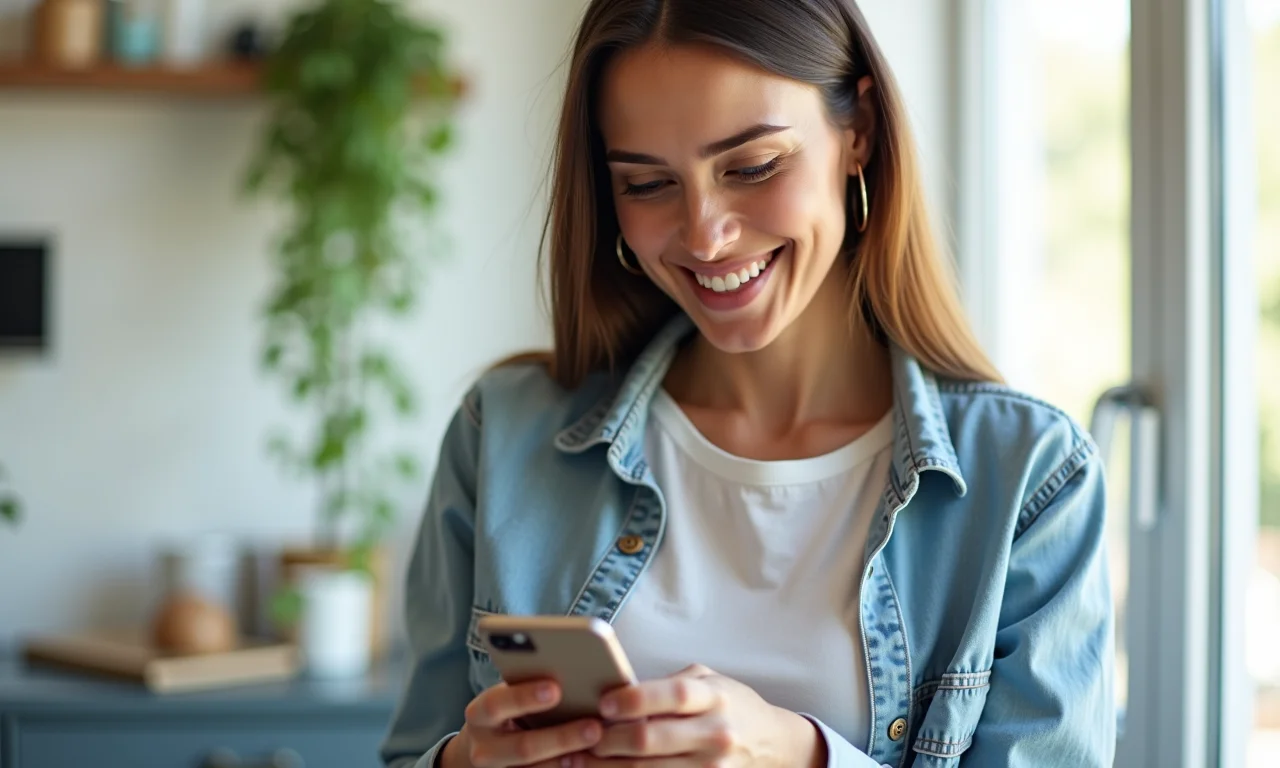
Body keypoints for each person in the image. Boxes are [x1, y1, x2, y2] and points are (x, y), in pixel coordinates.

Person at [380, 0, 1116, 766]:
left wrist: (805, 756)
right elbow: (410, 752)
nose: (704, 234)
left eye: (752, 167)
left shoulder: (1031, 480)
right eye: (646, 184)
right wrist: (464, 761)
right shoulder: (500, 438)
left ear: (857, 131)